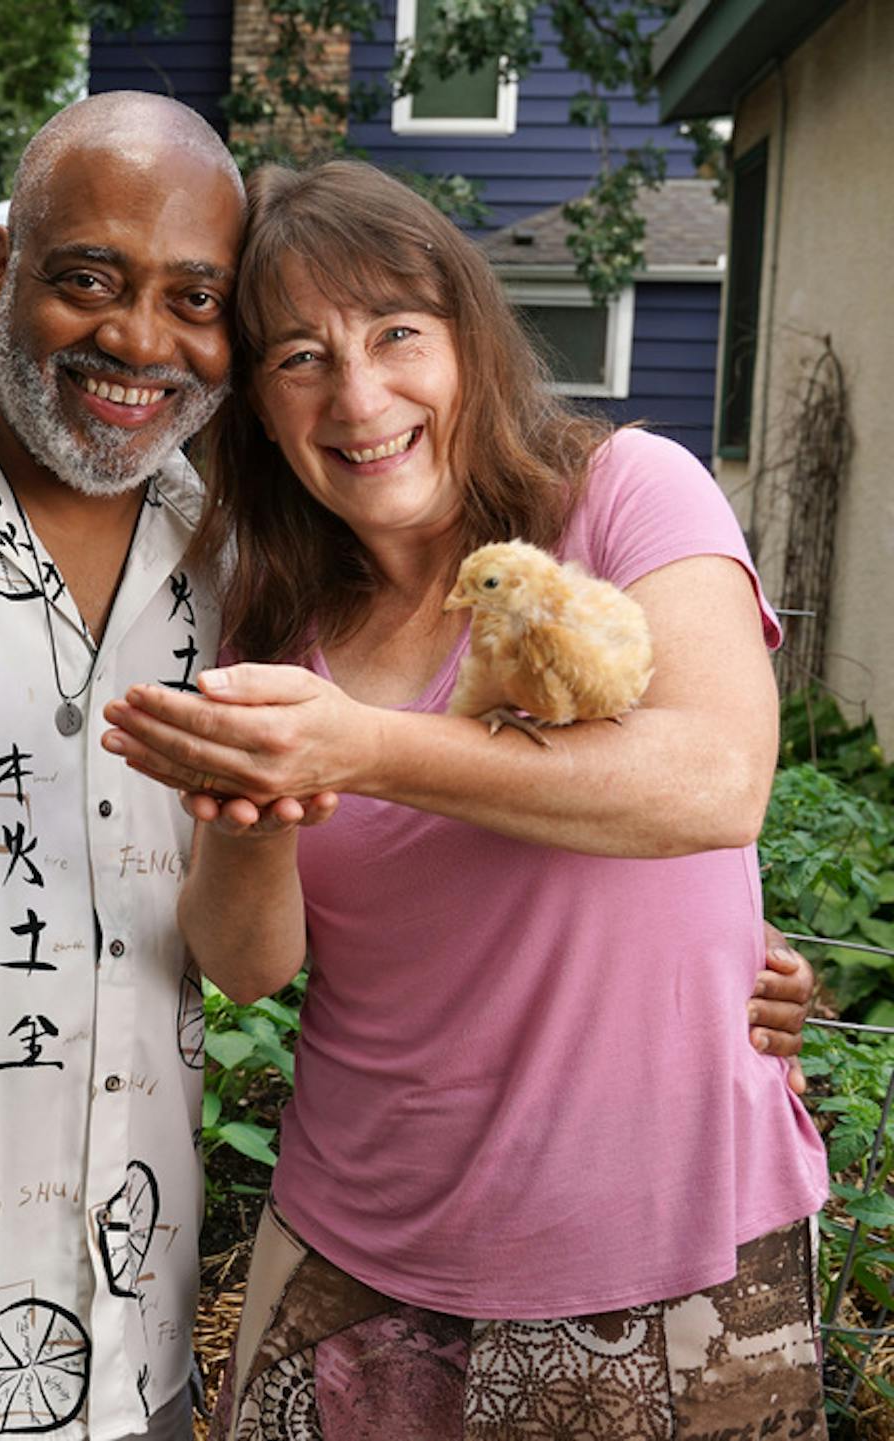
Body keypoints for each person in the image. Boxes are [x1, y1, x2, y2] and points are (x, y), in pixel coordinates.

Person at [0, 100, 814, 1441]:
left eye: (193, 300)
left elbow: (698, 785)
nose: (138, 338)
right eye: (88, 281)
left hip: (142, 1344)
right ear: (2, 272)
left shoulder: (225, 563)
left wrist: (703, 969)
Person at [102, 159, 830, 1439]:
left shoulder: (622, 493)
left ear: (467, 341)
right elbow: (250, 966)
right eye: (300, 358)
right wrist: (255, 817)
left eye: (396, 333)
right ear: (259, 410)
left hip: (667, 1256)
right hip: (355, 1260)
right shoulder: (270, 618)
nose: (361, 395)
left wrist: (360, 748)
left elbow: (718, 781)